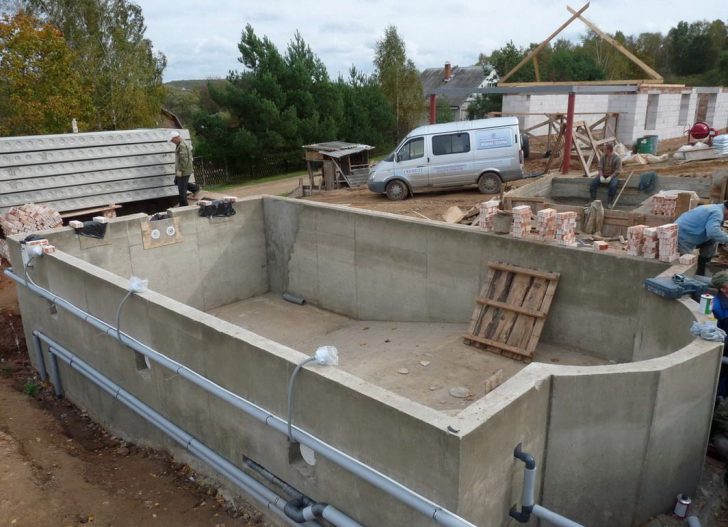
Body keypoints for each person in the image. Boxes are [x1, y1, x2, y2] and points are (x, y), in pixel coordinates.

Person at [676, 201, 728, 275]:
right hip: (682, 238)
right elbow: (713, 232)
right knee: (686, 266)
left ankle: (703, 269)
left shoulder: (715, 207)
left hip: (691, 234)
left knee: (713, 240)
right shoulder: (717, 213)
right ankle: (696, 276)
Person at [169, 131, 200, 206]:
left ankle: (184, 205)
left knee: (182, 189)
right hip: (181, 170)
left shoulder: (182, 146)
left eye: (173, 140)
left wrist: (181, 171)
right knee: (177, 182)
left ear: (176, 138)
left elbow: (184, 160)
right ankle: (195, 188)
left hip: (184, 170)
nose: (172, 142)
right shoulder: (180, 144)